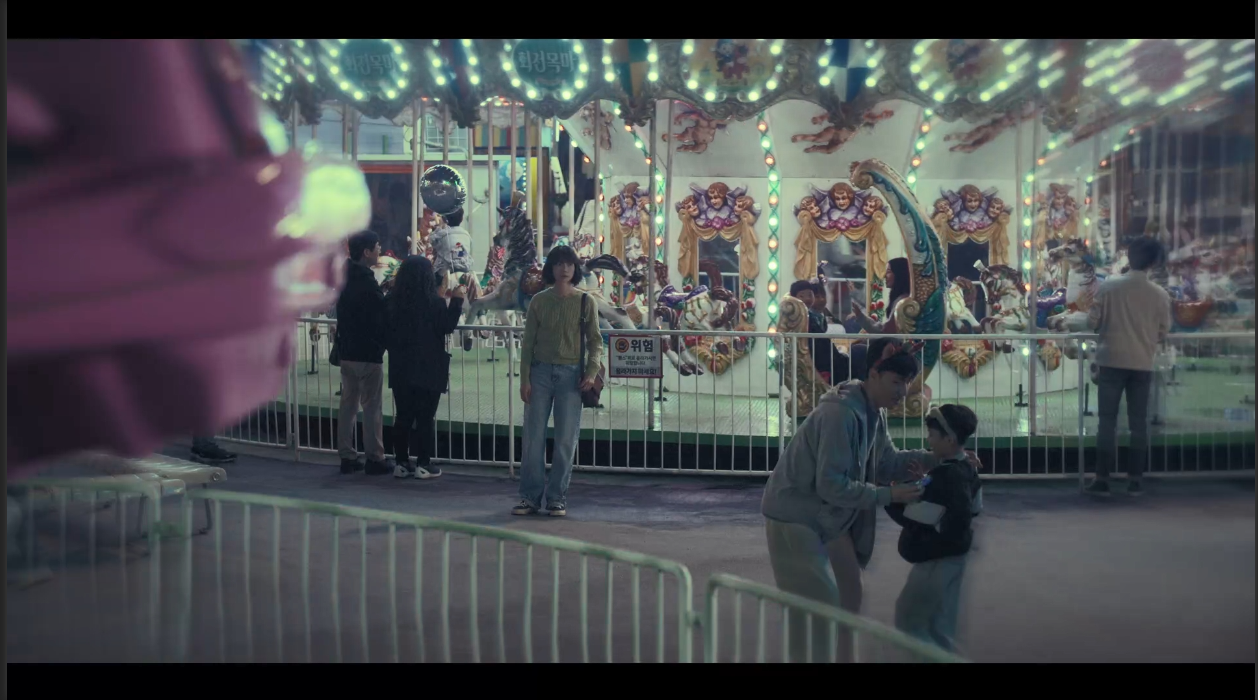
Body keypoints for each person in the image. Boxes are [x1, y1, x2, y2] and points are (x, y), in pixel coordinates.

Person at [761, 338, 939, 663]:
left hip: (827, 513)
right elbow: (832, 485)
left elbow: (887, 463)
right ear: (874, 373)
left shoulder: (872, 412)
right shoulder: (840, 414)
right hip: (795, 513)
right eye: (896, 381)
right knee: (819, 606)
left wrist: (936, 459)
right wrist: (888, 494)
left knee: (850, 592)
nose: (903, 391)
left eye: (907, 382)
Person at [885, 404, 982, 653]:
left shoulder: (946, 476)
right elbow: (974, 507)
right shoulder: (966, 468)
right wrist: (924, 482)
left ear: (949, 439)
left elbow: (922, 515)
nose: (928, 440)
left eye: (932, 435)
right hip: (954, 557)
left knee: (909, 619)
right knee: (941, 623)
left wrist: (891, 498)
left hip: (935, 559)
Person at [513, 245, 601, 518]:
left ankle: (556, 497)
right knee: (533, 438)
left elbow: (595, 341)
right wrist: (525, 378)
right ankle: (530, 497)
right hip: (539, 373)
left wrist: (591, 371)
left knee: (565, 439)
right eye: (559, 264)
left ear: (575, 269)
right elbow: (528, 343)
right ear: (551, 268)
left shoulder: (586, 301)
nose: (565, 269)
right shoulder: (539, 301)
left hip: (571, 376)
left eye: (569, 264)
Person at [1085, 236, 1171, 497]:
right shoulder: (1159, 294)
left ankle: (1102, 478)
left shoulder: (1109, 287)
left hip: (1110, 360)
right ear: (1153, 263)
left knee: (1106, 422)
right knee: (1138, 424)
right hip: (1142, 363)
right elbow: (1163, 331)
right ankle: (1135, 479)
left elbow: (1092, 322)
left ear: (1129, 257)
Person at [385, 256, 464, 479]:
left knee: (403, 416)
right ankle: (423, 463)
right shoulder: (434, 303)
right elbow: (447, 326)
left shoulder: (392, 302)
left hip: (400, 367)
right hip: (429, 368)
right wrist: (457, 301)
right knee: (425, 417)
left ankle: (401, 462)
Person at [336, 230, 390, 476]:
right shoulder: (367, 281)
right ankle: (375, 457)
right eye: (377, 246)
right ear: (366, 252)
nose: (380, 250)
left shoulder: (344, 277)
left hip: (347, 350)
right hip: (367, 352)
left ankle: (347, 455)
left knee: (348, 405)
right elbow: (379, 312)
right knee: (371, 406)